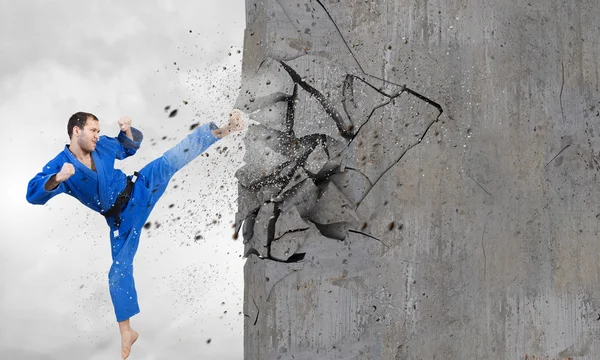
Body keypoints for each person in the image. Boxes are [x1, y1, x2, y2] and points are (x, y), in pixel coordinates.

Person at [26, 110, 245, 359]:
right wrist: (58, 178)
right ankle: (127, 331)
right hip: (122, 220)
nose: (98, 135)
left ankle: (225, 129)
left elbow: (126, 147)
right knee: (118, 270)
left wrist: (126, 131)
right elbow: (32, 193)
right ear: (77, 130)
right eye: (93, 130)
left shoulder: (103, 146)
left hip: (139, 186)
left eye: (99, 131)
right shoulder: (60, 165)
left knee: (169, 160)